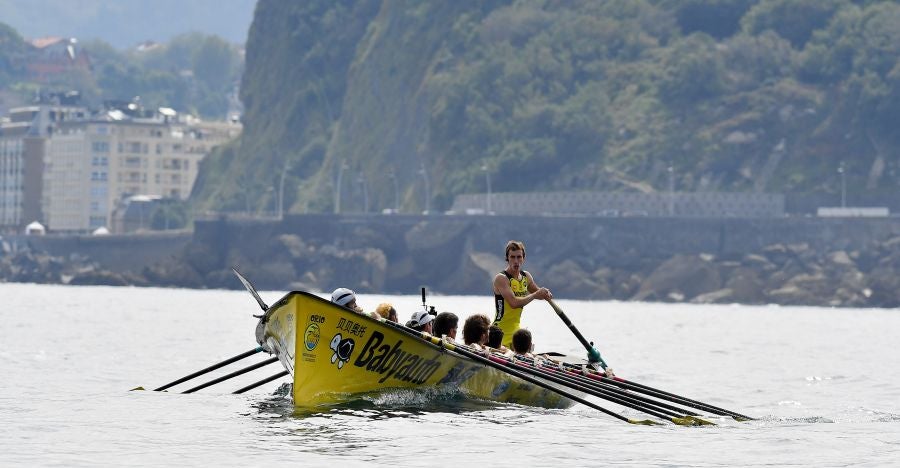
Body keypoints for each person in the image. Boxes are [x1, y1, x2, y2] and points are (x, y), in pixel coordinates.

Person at [492, 240, 552, 347]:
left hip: (516, 330)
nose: (516, 261)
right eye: (512, 257)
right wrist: (535, 295)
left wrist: (545, 293)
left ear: (523, 258)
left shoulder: (526, 277)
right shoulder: (501, 278)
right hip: (499, 332)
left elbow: (538, 292)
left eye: (519, 257)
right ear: (507, 258)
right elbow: (514, 303)